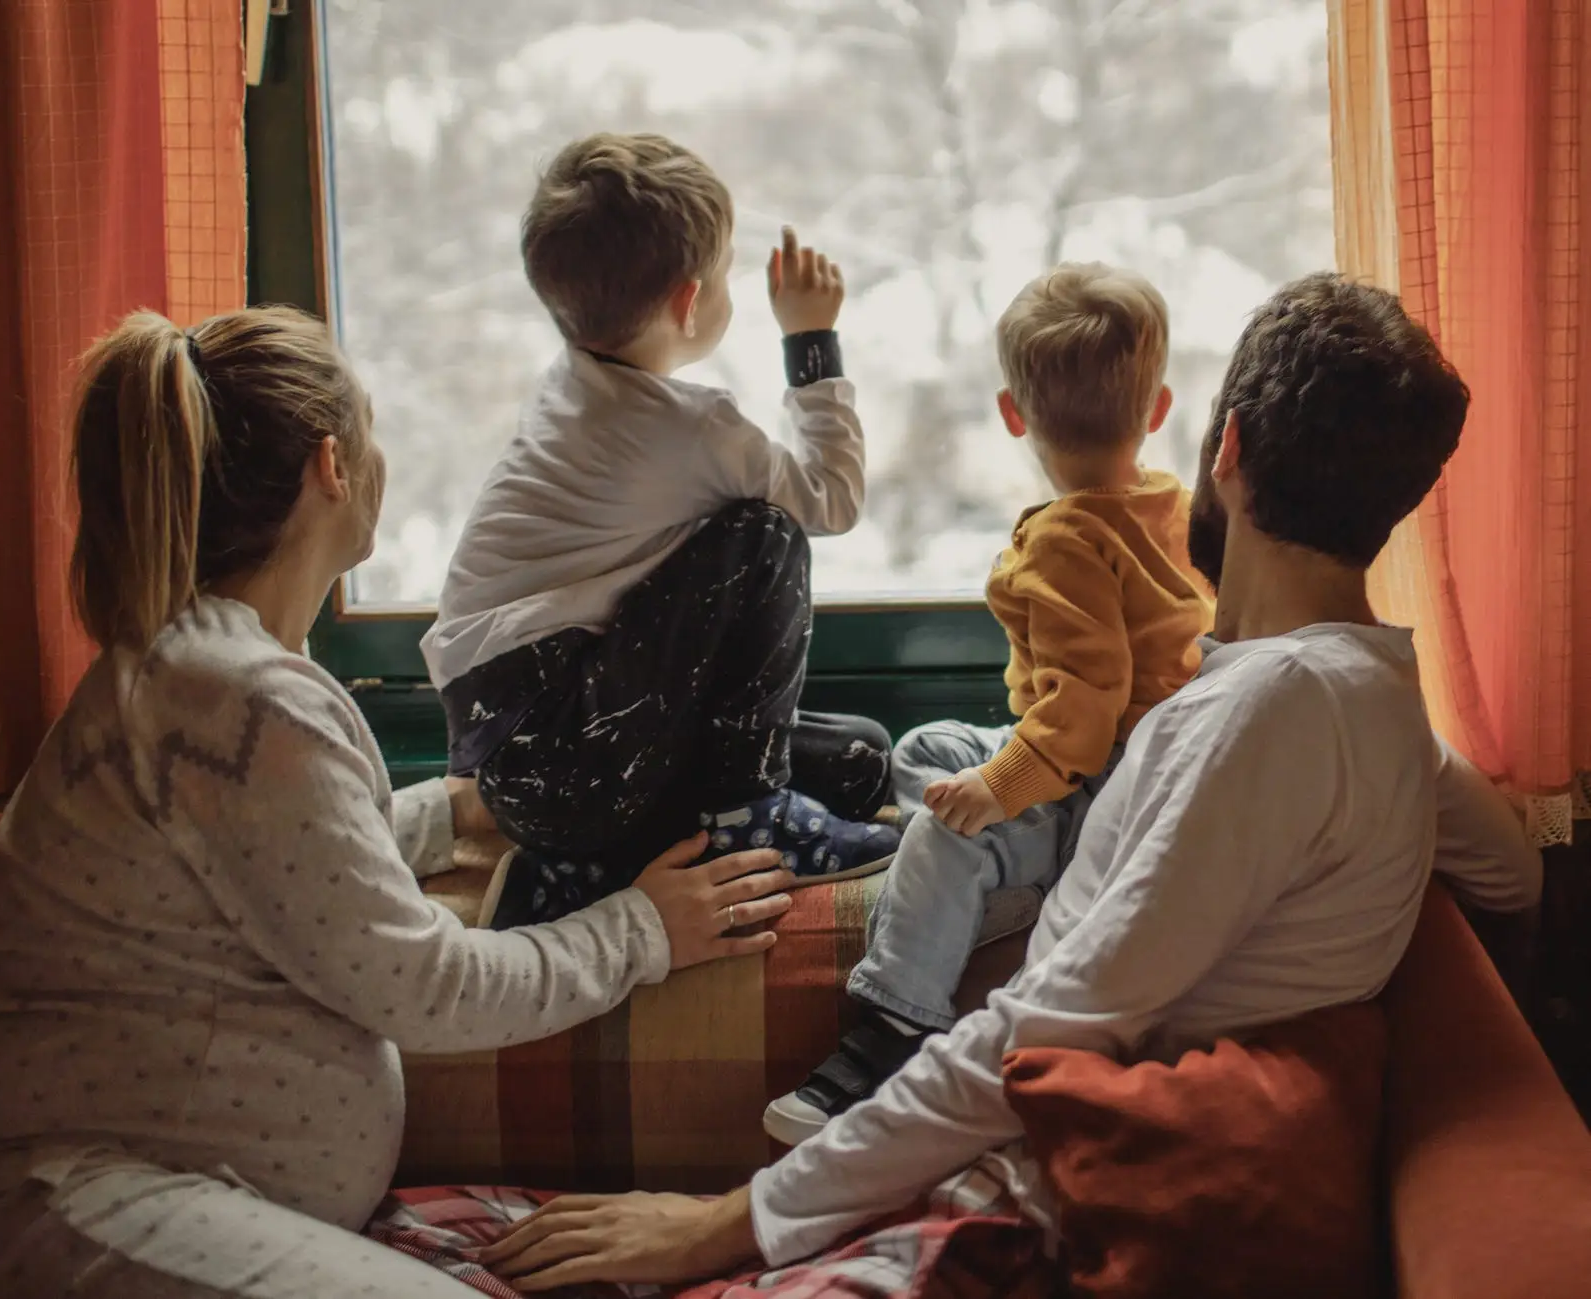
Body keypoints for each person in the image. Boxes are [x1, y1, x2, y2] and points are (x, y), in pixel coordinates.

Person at [470, 274, 1544, 1292]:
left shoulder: (1277, 708)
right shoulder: (1372, 697)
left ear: (1227, 448)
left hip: (1050, 1191)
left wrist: (730, 1219)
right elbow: (1511, 875)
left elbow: (1055, 1018)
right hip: (1028, 1154)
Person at [0, 306, 799, 1299]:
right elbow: (421, 988)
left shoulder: (211, 676)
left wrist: (455, 810)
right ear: (330, 467)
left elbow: (288, 874)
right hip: (58, 1209)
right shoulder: (238, 698)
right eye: (371, 433)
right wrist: (642, 931)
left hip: (135, 1197)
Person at [765, 264, 1213, 1144]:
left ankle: (895, 1026)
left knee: (945, 825)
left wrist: (1002, 790)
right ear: (1158, 409)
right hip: (1132, 756)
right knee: (928, 747)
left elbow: (1084, 711)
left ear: (1013, 414)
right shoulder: (1172, 506)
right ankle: (982, 879)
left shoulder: (1067, 542)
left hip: (1098, 787)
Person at [426, 132, 899, 930]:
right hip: (577, 752)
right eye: (723, 277)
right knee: (763, 534)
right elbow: (830, 498)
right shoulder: (696, 429)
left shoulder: (565, 392)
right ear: (689, 303)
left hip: (521, 768)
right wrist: (810, 339)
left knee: (862, 758)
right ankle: (748, 826)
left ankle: (583, 872)